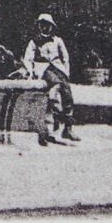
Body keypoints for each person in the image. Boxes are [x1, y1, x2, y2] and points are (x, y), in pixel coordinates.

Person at [23, 13, 80, 144]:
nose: (45, 28)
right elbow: (28, 58)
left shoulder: (57, 41)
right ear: (38, 26)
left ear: (51, 27)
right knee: (53, 92)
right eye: (42, 25)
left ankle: (68, 128)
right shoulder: (34, 42)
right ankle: (52, 127)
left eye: (47, 25)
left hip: (58, 68)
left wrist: (67, 72)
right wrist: (30, 72)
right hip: (43, 69)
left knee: (67, 94)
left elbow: (65, 58)